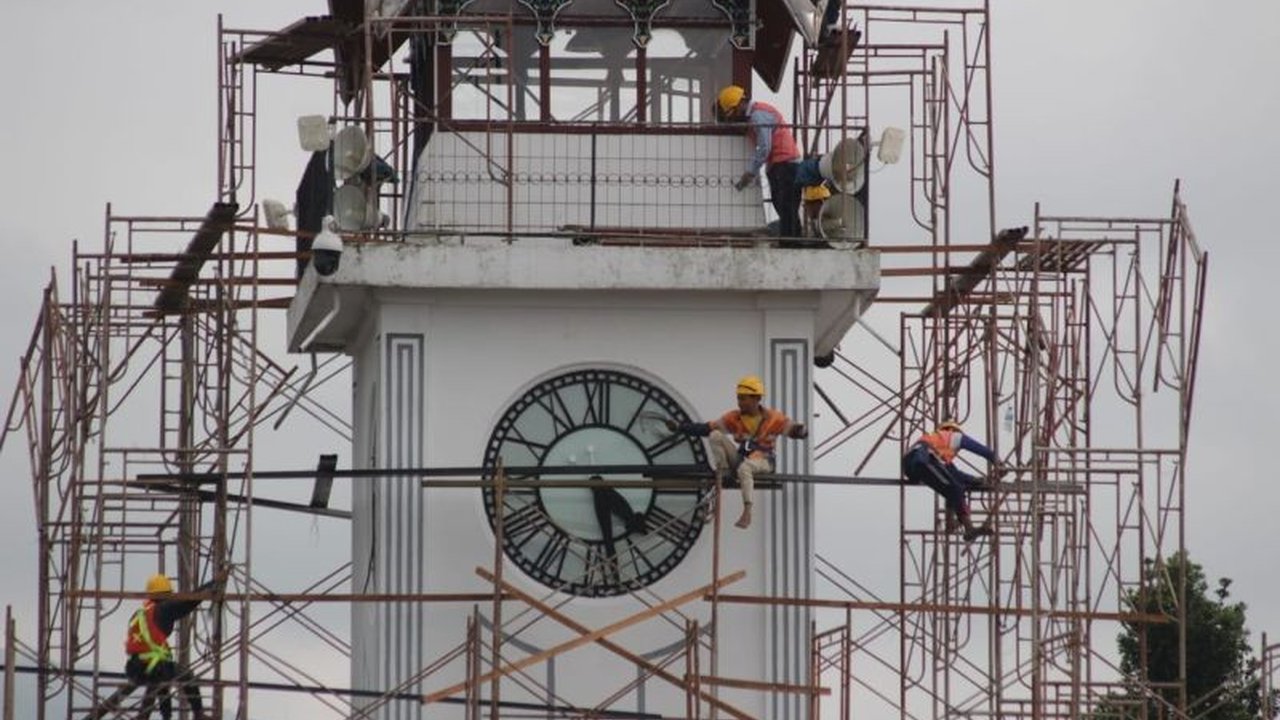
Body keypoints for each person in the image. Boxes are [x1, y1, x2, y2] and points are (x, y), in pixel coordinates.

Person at [669, 375, 807, 529]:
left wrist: (801, 431)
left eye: (743, 398)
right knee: (715, 435)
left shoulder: (773, 418)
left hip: (764, 460)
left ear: (756, 398)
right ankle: (724, 472)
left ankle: (747, 511)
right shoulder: (734, 418)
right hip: (742, 458)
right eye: (738, 398)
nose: (739, 402)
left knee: (744, 468)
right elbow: (707, 428)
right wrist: (681, 427)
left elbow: (791, 428)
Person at [125, 569, 226, 720]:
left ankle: (154, 716)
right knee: (186, 676)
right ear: (165, 595)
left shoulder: (140, 613)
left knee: (160, 682)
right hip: (153, 667)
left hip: (135, 667)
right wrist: (214, 583)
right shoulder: (163, 609)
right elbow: (189, 601)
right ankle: (198, 714)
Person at [716, 85, 803, 239]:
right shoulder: (754, 117)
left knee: (786, 206)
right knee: (783, 206)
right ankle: (792, 241)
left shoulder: (758, 115)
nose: (733, 117)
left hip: (786, 163)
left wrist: (750, 172)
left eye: (733, 113)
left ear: (739, 104)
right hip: (779, 164)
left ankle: (791, 242)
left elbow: (764, 147)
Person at [902, 420, 999, 542]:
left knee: (954, 488)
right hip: (922, 459)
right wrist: (998, 463)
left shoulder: (938, 447)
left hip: (914, 463)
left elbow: (955, 475)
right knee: (954, 488)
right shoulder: (952, 435)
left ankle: (954, 525)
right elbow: (980, 449)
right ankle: (963, 526)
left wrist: (977, 481)